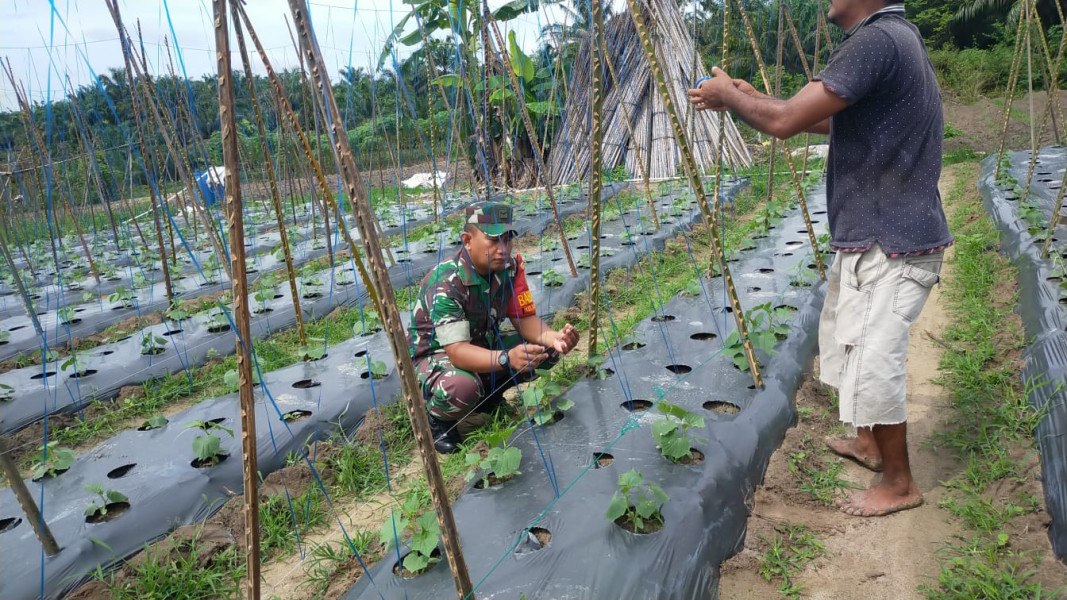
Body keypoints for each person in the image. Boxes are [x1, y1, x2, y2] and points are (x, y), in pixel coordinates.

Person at [687, 0, 952, 517]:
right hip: (874, 233)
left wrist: (731, 98)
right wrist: (752, 97)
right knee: (850, 339)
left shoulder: (876, 41)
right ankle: (870, 445)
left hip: (891, 237)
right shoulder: (896, 37)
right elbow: (832, 123)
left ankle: (900, 484)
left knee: (876, 358)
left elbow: (785, 122)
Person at [408, 201, 580, 454]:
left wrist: (556, 338)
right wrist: (505, 358)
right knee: (462, 387)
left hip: (481, 345)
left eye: (507, 240)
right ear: (467, 240)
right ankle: (440, 421)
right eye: (493, 241)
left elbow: (524, 319)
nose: (502, 249)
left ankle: (487, 399)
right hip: (440, 358)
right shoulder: (446, 282)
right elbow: (456, 351)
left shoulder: (510, 268)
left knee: (545, 350)